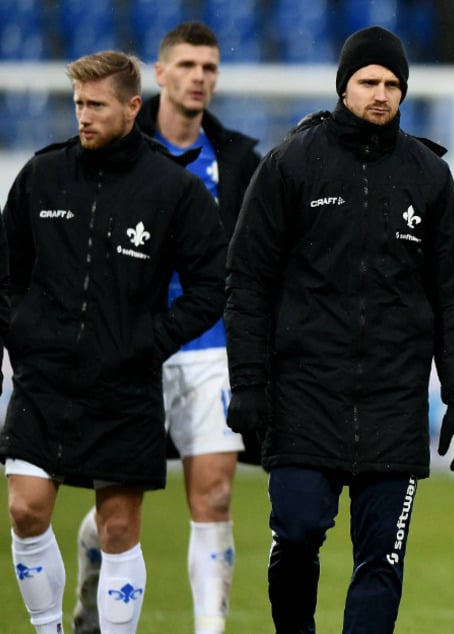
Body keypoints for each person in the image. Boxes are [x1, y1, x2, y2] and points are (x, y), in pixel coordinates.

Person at [223, 25, 454, 633]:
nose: (381, 93)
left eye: (393, 84)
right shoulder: (292, 163)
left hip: (394, 403)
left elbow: (453, 300)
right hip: (303, 394)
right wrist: (250, 386)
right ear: (344, 87)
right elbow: (248, 284)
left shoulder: (429, 176)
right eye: (369, 81)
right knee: (298, 533)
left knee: (383, 561)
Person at [0, 50, 227, 634]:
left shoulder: (172, 190)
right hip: (44, 379)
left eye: (96, 105)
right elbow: (7, 274)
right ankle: (48, 627)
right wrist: (24, 335)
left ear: (132, 107)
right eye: (78, 104)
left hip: (125, 383)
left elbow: (211, 286)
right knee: (25, 509)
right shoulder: (41, 175)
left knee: (119, 528)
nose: (83, 116)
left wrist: (150, 341)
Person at [69, 22, 261, 634]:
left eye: (209, 67)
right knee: (119, 513)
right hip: (134, 350)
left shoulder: (237, 162)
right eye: (186, 66)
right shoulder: (114, 150)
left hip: (211, 347)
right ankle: (90, 572)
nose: (199, 77)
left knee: (215, 497)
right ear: (158, 75)